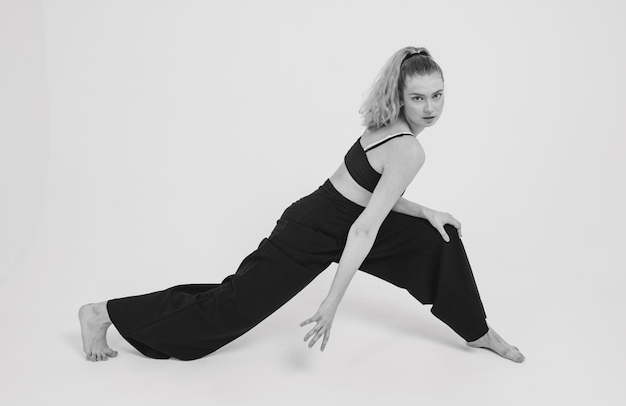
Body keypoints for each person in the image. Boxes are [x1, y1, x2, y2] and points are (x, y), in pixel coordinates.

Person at [79, 46, 525, 363]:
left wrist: (427, 212)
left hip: (329, 215)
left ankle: (477, 331)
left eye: (438, 95)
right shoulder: (408, 148)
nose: (430, 108)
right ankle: (104, 313)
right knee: (229, 307)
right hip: (314, 230)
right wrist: (331, 302)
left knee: (437, 239)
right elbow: (363, 228)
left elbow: (372, 194)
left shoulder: (388, 127)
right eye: (418, 98)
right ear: (401, 96)